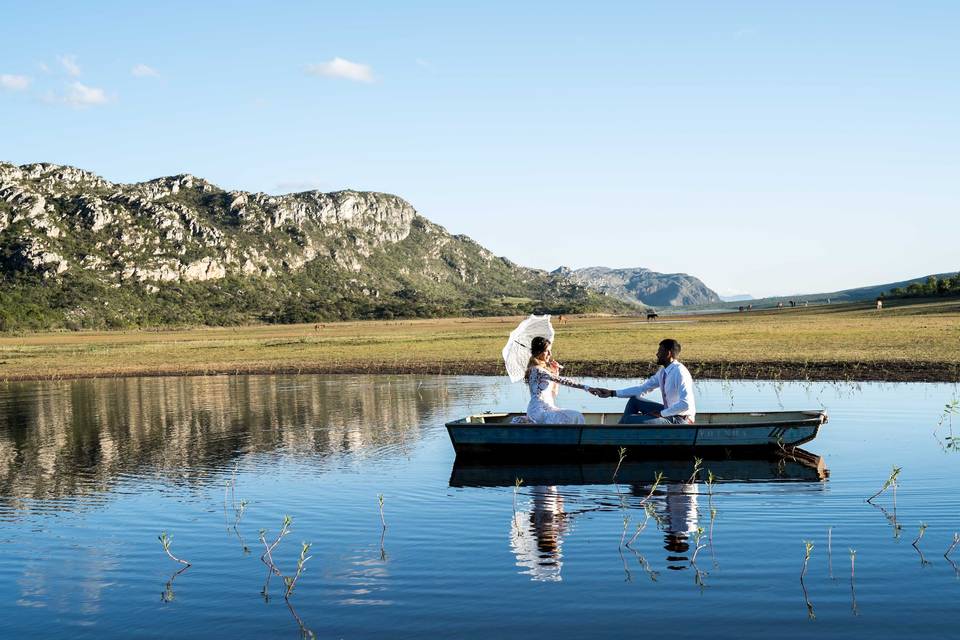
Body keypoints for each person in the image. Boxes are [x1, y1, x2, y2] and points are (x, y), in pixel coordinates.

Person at [590, 338, 696, 425]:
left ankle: (618, 435)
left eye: (660, 351)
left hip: (680, 420)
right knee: (634, 400)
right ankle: (621, 433)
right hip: (669, 413)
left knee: (629, 420)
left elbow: (686, 404)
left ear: (668, 354)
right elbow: (642, 389)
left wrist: (662, 413)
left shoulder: (680, 372)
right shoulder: (663, 372)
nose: (657, 354)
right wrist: (612, 393)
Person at [523, 336, 587, 424]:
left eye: (550, 350)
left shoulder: (543, 370)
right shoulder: (536, 369)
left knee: (575, 416)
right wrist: (587, 388)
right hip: (539, 412)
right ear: (538, 352)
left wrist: (556, 372)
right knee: (576, 416)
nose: (550, 354)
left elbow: (553, 394)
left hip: (549, 408)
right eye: (546, 351)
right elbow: (563, 381)